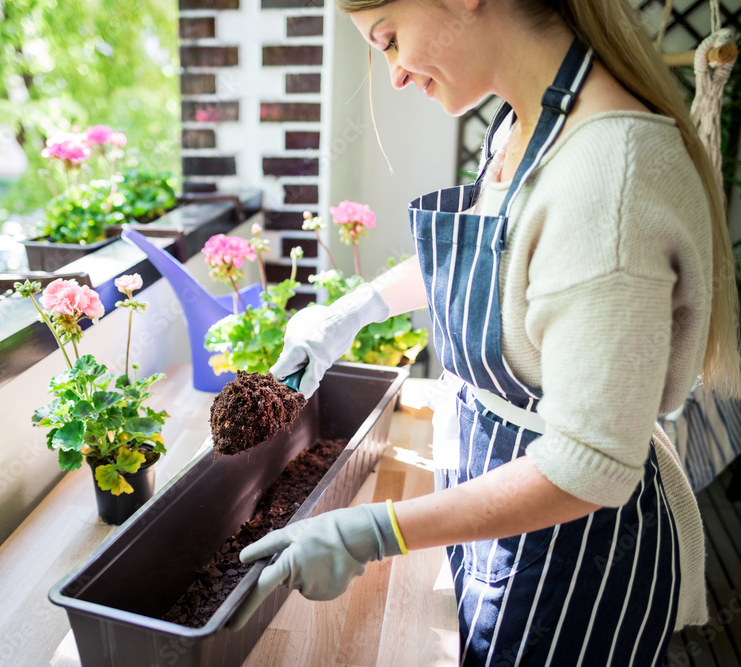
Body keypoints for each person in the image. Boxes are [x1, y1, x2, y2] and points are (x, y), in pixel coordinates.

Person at [226, 0, 741, 664]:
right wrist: (353, 310)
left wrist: (372, 531)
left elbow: (586, 468)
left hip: (573, 566)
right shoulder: (521, 124)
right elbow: (505, 267)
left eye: (388, 39)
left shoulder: (609, 173)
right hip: (495, 519)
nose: (396, 76)